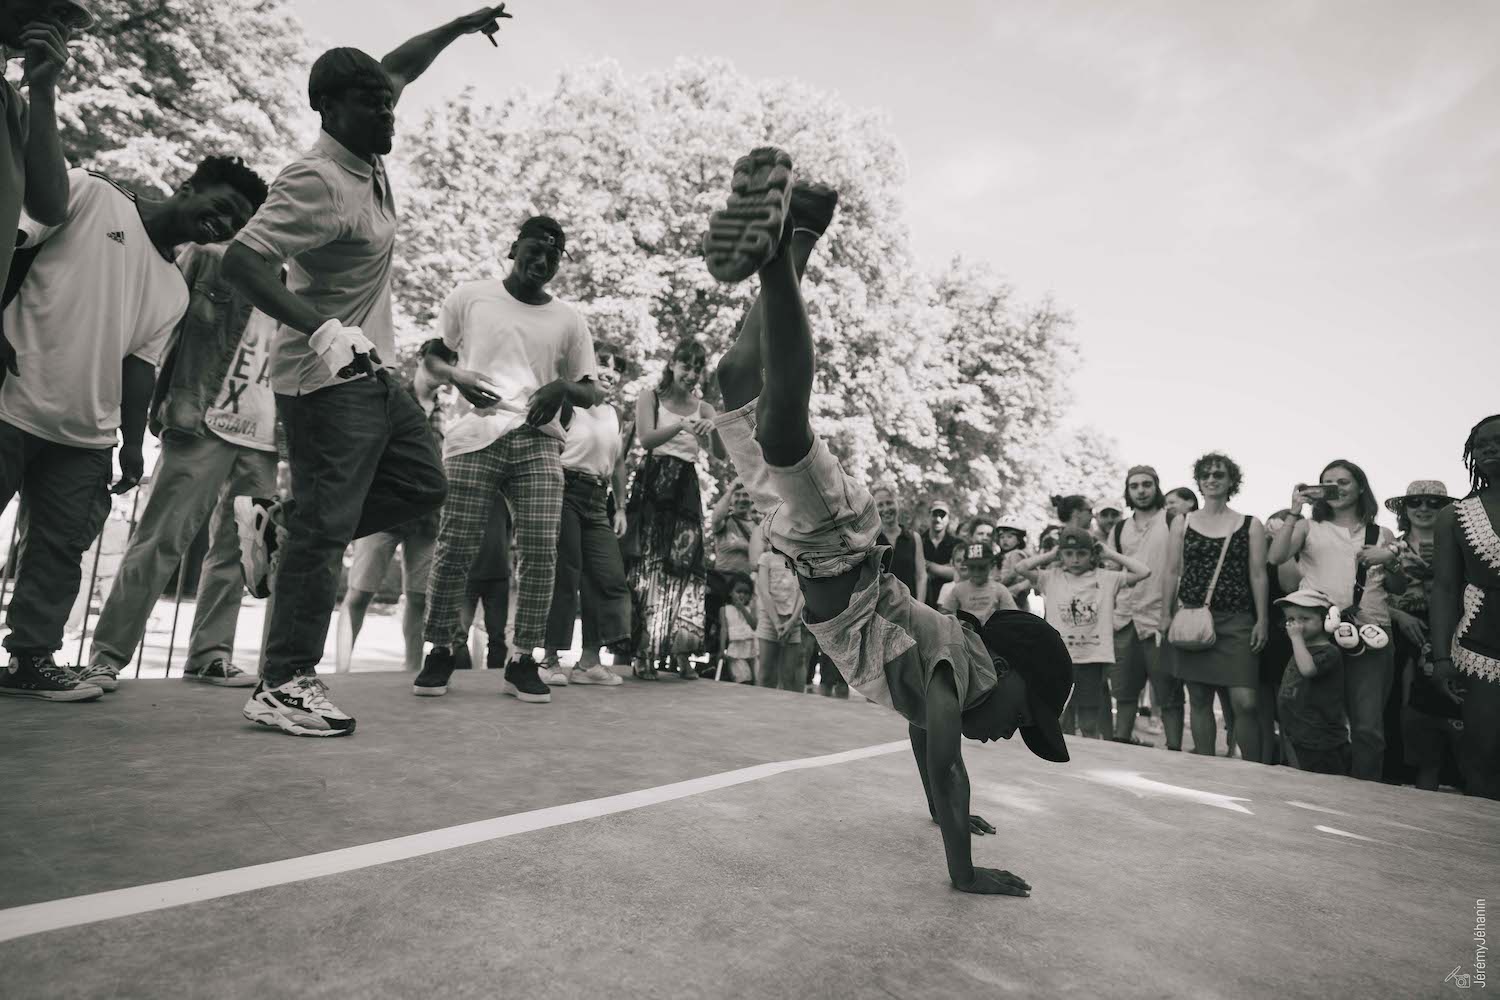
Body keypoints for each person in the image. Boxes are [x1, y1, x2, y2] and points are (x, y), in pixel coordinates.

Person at [706, 147, 1072, 896]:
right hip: (836, 543)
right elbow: (948, 763)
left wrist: (940, 815)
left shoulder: (939, 681)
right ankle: (773, 259)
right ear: (1005, 673)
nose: (1008, 734)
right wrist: (963, 872)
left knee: (735, 382)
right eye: (1023, 717)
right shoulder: (955, 670)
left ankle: (801, 230)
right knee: (780, 425)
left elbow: (921, 741)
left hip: (807, 545)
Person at [225, 8, 510, 736]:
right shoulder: (316, 180)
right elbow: (243, 262)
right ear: (328, 108)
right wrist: (321, 328)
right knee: (327, 533)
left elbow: (402, 65)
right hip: (322, 380)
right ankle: (283, 683)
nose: (389, 112)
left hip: (373, 373)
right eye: (372, 103)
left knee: (423, 484)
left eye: (389, 102)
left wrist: (460, 25)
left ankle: (283, 527)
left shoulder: (368, 144)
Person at [0, 159, 262, 702]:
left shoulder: (173, 288)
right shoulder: (92, 192)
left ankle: (29, 660)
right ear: (187, 187)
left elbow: (140, 364)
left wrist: (134, 443)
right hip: (11, 402)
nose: (224, 224)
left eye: (237, 223)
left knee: (59, 552)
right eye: (222, 207)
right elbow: (13, 244)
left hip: (86, 434)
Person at [86, 175, 279, 691]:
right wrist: (156, 408)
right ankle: (107, 656)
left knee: (242, 554)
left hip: (266, 438)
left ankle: (210, 655)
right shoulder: (211, 258)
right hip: (201, 420)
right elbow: (163, 331)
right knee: (160, 540)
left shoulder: (297, 281)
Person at [414, 215, 600, 702]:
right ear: (514, 248)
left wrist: (560, 387)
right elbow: (432, 357)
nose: (543, 260)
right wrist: (457, 376)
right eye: (535, 249)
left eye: (554, 255)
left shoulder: (568, 319)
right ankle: (440, 649)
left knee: (540, 549)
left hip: (537, 437)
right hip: (476, 434)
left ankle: (522, 659)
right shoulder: (471, 296)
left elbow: (590, 389)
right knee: (455, 546)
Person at [1267, 459, 1404, 780]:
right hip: (1319, 632)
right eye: (1328, 483)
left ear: (1360, 487)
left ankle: (1363, 792)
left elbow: (1398, 587)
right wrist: (1294, 511)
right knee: (1311, 716)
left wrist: (1390, 560)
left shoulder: (1381, 533)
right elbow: (1275, 557)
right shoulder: (1308, 527)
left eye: (1343, 482)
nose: (1336, 489)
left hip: (1370, 630)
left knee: (1367, 725)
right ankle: (1316, 788)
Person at [336, 338, 450, 675]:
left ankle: (411, 671)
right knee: (359, 593)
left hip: (427, 518)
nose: (445, 367)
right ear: (421, 358)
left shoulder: (448, 412)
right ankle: (341, 671)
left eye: (452, 361)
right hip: (384, 510)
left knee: (418, 598)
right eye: (440, 358)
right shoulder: (393, 396)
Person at [623, 336, 724, 680]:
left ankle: (683, 653)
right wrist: (680, 425)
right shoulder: (650, 397)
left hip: (685, 488)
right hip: (653, 483)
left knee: (687, 567)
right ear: (672, 364)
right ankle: (643, 654)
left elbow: (721, 455)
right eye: (686, 365)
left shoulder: (704, 408)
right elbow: (646, 439)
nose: (691, 374)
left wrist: (711, 431)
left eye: (697, 368)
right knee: (648, 568)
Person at [1160, 453, 1269, 761]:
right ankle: (1205, 769)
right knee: (1198, 697)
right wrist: (1165, 614)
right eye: (1205, 475)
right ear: (1199, 481)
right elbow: (1171, 571)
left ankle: (1252, 771)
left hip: (1237, 619)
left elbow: (1258, 574)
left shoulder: (1250, 524)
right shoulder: (1183, 522)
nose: (1211, 479)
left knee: (1246, 701)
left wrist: (1262, 620)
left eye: (1218, 474)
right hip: (1193, 617)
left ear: (1232, 480)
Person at [538, 340, 631, 688]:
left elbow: (617, 463)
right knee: (567, 574)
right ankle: (549, 659)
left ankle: (589, 662)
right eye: (603, 364)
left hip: (598, 499)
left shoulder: (614, 415)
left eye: (616, 368)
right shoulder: (568, 406)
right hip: (566, 490)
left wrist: (620, 507)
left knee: (608, 576)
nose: (610, 372)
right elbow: (547, 445)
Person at [1011, 528, 1152, 740]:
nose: (1075, 559)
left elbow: (1143, 572)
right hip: (1059, 659)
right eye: (1068, 553)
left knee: (1088, 720)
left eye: (1082, 553)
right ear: (1061, 555)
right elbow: (1020, 567)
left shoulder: (1106, 578)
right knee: (1061, 717)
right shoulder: (1051, 577)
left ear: (1092, 554)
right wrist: (1052, 554)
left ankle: (1089, 751)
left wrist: (1109, 553)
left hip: (1091, 658)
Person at [1431, 415, 1500, 799]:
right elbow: (1443, 589)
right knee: (1484, 751)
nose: (1489, 448)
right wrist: (1442, 659)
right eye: (1481, 444)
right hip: (1481, 644)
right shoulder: (1454, 516)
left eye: (1499, 440)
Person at [0, 0, 83, 283]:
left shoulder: (14, 106)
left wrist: (43, 89)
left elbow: (51, 208)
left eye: (61, 13)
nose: (49, 17)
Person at [1386, 481, 1460, 790]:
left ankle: (1452, 776)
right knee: (1397, 703)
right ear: (1405, 510)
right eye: (1416, 502)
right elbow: (1370, 593)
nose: (1424, 508)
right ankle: (1397, 773)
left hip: (1450, 632)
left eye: (1434, 503)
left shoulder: (1459, 546)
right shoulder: (1391, 548)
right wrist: (1399, 616)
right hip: (1399, 630)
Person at [1104, 465, 1178, 748]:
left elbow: (1179, 570)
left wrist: (1171, 613)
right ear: (1127, 490)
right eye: (1134, 486)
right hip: (1124, 619)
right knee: (1124, 694)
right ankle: (1120, 746)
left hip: (1160, 618)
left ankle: (1175, 752)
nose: (1141, 491)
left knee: (1168, 694)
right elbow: (1110, 576)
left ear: (1156, 487)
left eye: (1147, 484)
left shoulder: (1172, 520)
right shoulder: (1119, 528)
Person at [1275, 588, 1350, 775]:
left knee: (1320, 784)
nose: (1297, 625)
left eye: (1305, 619)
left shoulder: (1329, 652)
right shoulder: (1301, 648)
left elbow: (1308, 670)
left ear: (1327, 620)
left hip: (1320, 740)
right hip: (1296, 733)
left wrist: (1296, 639)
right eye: (1291, 619)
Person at [1258, 510, 1304, 765]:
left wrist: (1281, 542)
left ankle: (1291, 765)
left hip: (1287, 637)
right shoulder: (1260, 553)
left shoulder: (1299, 556)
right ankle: (1263, 763)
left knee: (1287, 711)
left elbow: (1290, 587)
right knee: (1261, 713)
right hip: (1260, 634)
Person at [706, 479, 756, 676]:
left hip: (747, 587)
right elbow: (715, 518)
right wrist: (731, 489)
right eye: (738, 495)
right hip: (722, 584)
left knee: (742, 630)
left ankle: (741, 674)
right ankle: (713, 665)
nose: (742, 499)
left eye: (746, 495)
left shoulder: (758, 526)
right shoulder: (725, 522)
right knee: (719, 629)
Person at [755, 539, 806, 691]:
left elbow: (803, 592)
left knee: (789, 676)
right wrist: (777, 622)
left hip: (793, 622)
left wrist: (792, 621)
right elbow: (764, 591)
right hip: (769, 621)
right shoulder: (766, 558)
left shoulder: (800, 560)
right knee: (766, 675)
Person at [872, 482, 927, 602]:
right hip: (881, 607)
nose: (886, 509)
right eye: (880, 505)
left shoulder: (914, 538)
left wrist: (919, 606)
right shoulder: (871, 540)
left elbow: (921, 576)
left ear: (897, 503)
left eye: (889, 503)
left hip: (910, 605)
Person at [939, 541, 1018, 621]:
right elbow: (945, 615)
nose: (976, 572)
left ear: (992, 565)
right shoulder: (959, 589)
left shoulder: (1000, 590)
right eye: (972, 567)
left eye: (982, 568)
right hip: (967, 628)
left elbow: (1013, 617)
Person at [719, 572, 757, 683]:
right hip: (735, 650)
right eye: (739, 591)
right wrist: (722, 649)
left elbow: (754, 625)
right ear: (730, 592)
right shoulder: (725, 609)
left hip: (750, 648)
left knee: (753, 678)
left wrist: (743, 609)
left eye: (746, 592)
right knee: (742, 677)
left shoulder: (750, 609)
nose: (742, 595)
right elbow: (723, 629)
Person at [921, 499, 959, 607]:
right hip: (922, 600)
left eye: (942, 515)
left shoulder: (957, 544)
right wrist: (945, 569)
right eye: (935, 515)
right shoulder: (917, 541)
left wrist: (927, 565)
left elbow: (958, 573)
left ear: (948, 518)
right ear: (928, 516)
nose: (938, 519)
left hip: (948, 602)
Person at [995, 525, 1031, 605]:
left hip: (1015, 592)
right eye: (1002, 537)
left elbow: (1013, 574)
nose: (1005, 540)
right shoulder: (1004, 555)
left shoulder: (1015, 554)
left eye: (1009, 537)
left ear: (1018, 540)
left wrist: (1000, 584)